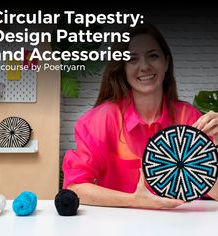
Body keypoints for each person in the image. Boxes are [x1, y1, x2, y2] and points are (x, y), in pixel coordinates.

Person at [62, 23, 218, 209]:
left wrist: (215, 145)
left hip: (182, 224)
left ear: (166, 62)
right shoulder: (101, 120)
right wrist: (134, 201)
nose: (144, 66)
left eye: (153, 56)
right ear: (122, 67)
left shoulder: (189, 117)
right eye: (132, 59)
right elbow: (74, 187)